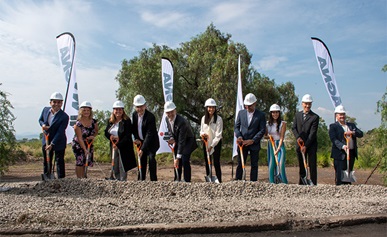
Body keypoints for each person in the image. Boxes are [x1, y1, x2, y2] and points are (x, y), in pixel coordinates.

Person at [234, 93, 266, 181]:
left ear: (255, 103)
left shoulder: (261, 115)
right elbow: (236, 127)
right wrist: (239, 136)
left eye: (250, 105)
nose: (247, 107)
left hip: (254, 144)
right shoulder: (241, 113)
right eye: (246, 105)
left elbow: (262, 130)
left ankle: (253, 184)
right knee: (240, 163)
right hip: (242, 143)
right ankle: (238, 181)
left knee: (254, 165)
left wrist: (253, 140)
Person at [329, 105, 363, 185]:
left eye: (343, 114)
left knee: (348, 175)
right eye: (340, 114)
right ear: (336, 116)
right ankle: (340, 192)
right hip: (340, 155)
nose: (342, 116)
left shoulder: (351, 125)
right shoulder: (333, 126)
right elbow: (334, 139)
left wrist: (353, 132)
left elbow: (361, 134)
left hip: (351, 153)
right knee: (340, 176)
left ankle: (348, 191)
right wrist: (343, 146)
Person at [38, 92, 69, 179]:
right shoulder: (45, 110)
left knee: (59, 161)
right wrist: (43, 125)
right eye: (54, 102)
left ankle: (61, 179)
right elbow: (40, 120)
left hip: (58, 141)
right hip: (46, 139)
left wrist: (52, 144)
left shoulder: (64, 116)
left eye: (59, 102)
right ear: (50, 103)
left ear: (62, 103)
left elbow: (60, 131)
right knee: (47, 160)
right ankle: (47, 177)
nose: (56, 104)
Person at [164, 101, 198, 182]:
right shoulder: (167, 119)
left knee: (184, 159)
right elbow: (170, 130)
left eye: (172, 111)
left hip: (188, 140)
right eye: (168, 112)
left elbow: (181, 141)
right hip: (178, 140)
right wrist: (171, 138)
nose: (170, 114)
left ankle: (187, 180)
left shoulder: (182, 122)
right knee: (176, 159)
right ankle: (177, 179)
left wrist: (178, 157)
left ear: (175, 110)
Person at [104, 100, 136, 181]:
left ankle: (122, 180)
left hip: (123, 146)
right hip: (113, 145)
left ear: (123, 110)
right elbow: (106, 132)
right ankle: (117, 178)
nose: (118, 111)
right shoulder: (110, 121)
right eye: (116, 109)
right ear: (113, 110)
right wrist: (110, 136)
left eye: (120, 109)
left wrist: (118, 144)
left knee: (122, 164)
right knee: (115, 163)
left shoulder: (126, 121)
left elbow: (127, 135)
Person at [292, 94, 319, 185]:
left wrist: (306, 145)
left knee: (312, 165)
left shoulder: (315, 117)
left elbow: (312, 133)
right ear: (302, 104)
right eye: (306, 104)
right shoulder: (297, 115)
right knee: (302, 165)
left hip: (311, 145)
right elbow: (294, 128)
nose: (307, 106)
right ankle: (302, 182)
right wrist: (298, 137)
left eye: (309, 104)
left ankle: (313, 183)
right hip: (300, 144)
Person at [132, 95, 160, 181]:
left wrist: (143, 149)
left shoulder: (150, 117)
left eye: (141, 106)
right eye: (137, 107)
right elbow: (134, 128)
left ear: (145, 106)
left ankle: (153, 181)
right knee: (141, 160)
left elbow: (149, 134)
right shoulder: (134, 115)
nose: (139, 109)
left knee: (151, 159)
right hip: (140, 142)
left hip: (151, 143)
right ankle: (141, 180)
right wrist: (136, 138)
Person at [72, 101, 98, 178]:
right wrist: (85, 149)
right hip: (79, 145)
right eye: (84, 110)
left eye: (88, 110)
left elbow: (96, 131)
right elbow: (79, 138)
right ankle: (79, 178)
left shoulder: (93, 122)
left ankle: (84, 177)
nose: (86, 112)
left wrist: (93, 136)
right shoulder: (78, 124)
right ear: (81, 111)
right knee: (80, 161)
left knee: (85, 161)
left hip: (89, 143)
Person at [200, 98, 223, 183]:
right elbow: (201, 130)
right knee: (207, 162)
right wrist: (203, 134)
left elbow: (218, 134)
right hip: (206, 142)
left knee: (216, 162)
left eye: (213, 107)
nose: (211, 109)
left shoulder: (219, 119)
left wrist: (212, 145)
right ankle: (209, 179)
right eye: (209, 107)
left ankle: (219, 180)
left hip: (216, 143)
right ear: (206, 108)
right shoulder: (203, 119)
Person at [266, 104, 288, 184]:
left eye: (277, 112)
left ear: (279, 113)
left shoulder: (283, 123)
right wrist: (269, 137)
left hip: (280, 144)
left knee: (280, 163)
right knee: (272, 164)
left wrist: (278, 148)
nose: (275, 114)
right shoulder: (268, 124)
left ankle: (283, 182)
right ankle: (272, 182)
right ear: (271, 113)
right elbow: (265, 136)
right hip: (271, 144)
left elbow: (282, 136)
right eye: (273, 112)